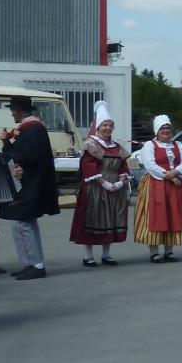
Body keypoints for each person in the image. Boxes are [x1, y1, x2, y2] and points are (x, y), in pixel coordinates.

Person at [0, 94, 59, 280]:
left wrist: (8, 146)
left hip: (31, 184)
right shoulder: (31, 129)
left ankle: (36, 264)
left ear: (19, 111)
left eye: (13, 111)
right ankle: (29, 263)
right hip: (30, 182)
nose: (12, 115)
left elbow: (27, 156)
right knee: (24, 223)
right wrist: (8, 144)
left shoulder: (33, 129)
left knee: (23, 223)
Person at [69, 100, 130, 267]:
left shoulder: (116, 147)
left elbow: (124, 166)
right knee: (93, 219)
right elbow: (88, 166)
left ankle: (106, 255)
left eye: (110, 125)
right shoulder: (91, 145)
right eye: (105, 125)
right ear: (98, 127)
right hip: (95, 187)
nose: (108, 128)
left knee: (110, 220)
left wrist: (120, 182)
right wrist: (104, 183)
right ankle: (88, 256)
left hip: (114, 187)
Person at [134, 115, 182, 263]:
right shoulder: (150, 145)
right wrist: (169, 176)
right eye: (162, 128)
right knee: (157, 216)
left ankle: (169, 251)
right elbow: (150, 165)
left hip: (175, 184)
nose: (166, 131)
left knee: (173, 215)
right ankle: (154, 252)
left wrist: (176, 173)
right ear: (157, 130)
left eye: (168, 128)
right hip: (156, 184)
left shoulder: (178, 144)